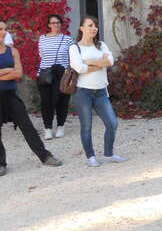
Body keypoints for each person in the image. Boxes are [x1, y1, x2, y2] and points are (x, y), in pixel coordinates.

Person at [0, 20, 62, 176]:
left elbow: (18, 74)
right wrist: (8, 70)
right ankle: (1, 164)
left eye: (5, 29)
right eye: (1, 29)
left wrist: (8, 72)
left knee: (27, 127)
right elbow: (13, 72)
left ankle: (45, 156)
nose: (4, 32)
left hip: (11, 96)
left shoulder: (12, 51)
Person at [70, 16, 126, 167]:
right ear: (82, 29)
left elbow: (110, 62)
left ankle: (109, 153)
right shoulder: (75, 48)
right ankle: (90, 157)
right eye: (90, 25)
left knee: (112, 123)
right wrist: (99, 64)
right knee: (86, 126)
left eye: (95, 25)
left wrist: (89, 62)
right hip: (84, 93)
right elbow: (79, 68)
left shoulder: (101, 45)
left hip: (101, 91)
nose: (94, 28)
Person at [37, 14, 74, 139]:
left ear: (61, 24)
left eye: (58, 22)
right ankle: (47, 128)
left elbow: (72, 57)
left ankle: (61, 126)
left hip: (62, 75)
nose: (55, 25)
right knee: (46, 102)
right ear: (48, 25)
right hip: (45, 74)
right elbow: (42, 55)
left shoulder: (67, 39)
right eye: (53, 23)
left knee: (62, 101)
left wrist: (68, 73)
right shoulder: (42, 39)